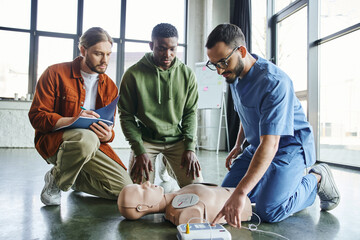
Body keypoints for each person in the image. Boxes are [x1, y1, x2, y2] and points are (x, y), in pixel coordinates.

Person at [205, 24, 340, 228]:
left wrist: (242, 192)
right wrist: (238, 145)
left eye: (223, 62)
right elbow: (247, 111)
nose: (219, 70)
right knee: (225, 196)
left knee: (269, 209)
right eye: (214, 64)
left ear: (241, 51)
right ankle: (275, 184)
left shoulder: (275, 82)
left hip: (289, 147)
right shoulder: (233, 76)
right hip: (258, 145)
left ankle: (317, 177)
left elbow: (271, 144)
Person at [28, 27, 132, 206]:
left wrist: (108, 135)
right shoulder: (55, 73)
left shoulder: (110, 87)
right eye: (98, 54)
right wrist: (74, 120)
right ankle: (56, 180)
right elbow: (37, 117)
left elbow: (109, 127)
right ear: (83, 50)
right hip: (56, 142)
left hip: (93, 145)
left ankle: (73, 177)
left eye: (108, 54)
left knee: (125, 191)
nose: (105, 60)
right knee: (86, 139)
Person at [118, 23, 203, 187]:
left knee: (197, 189)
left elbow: (190, 114)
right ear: (151, 46)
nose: (167, 54)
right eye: (161, 48)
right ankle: (163, 158)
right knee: (140, 194)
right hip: (146, 140)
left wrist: (190, 147)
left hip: (176, 139)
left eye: (172, 49)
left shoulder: (187, 74)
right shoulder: (133, 74)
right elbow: (126, 116)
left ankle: (168, 161)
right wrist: (138, 150)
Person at [117, 181, 252, 226]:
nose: (146, 183)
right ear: (142, 207)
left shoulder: (179, 193)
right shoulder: (182, 213)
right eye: (142, 190)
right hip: (243, 206)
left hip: (239, 193)